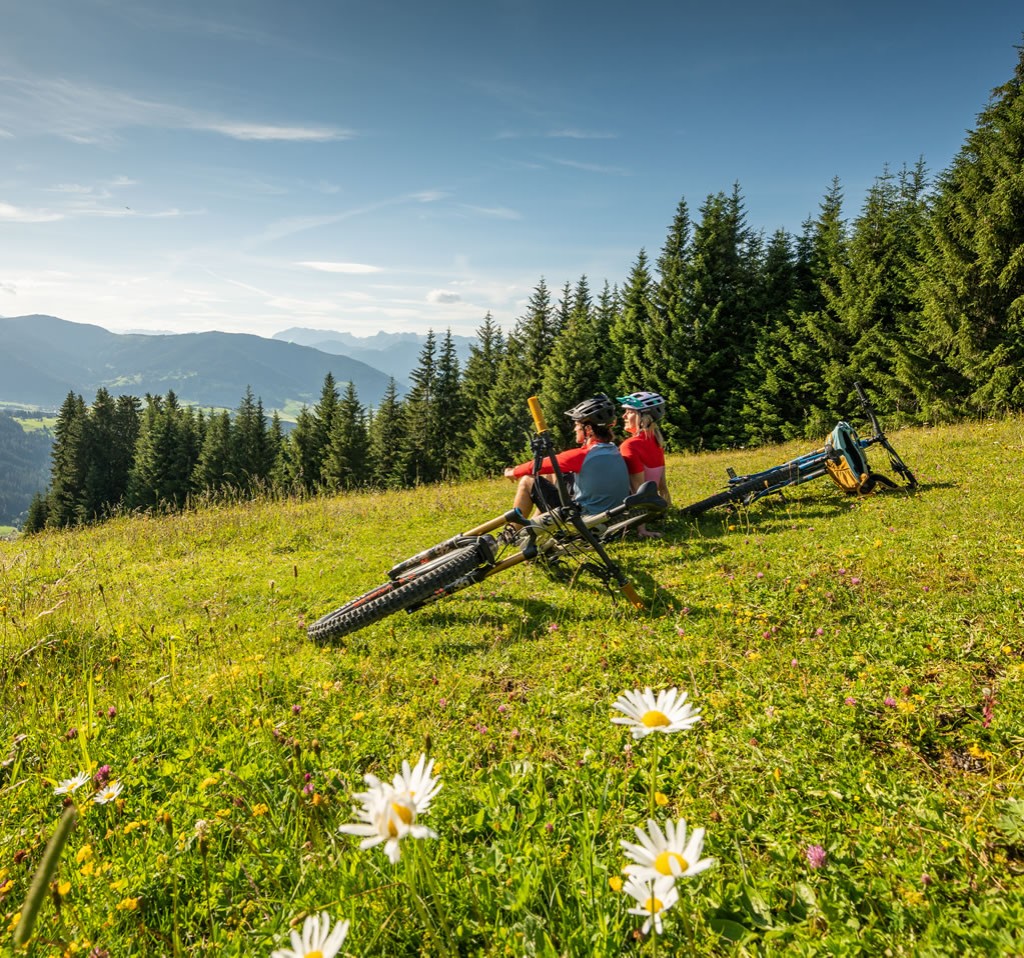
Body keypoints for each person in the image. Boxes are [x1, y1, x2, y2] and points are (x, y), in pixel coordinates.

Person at [503, 394, 630, 523]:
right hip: (611, 514)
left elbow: (538, 465)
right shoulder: (612, 449)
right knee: (553, 475)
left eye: (577, 424)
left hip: (585, 518)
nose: (574, 429)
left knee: (528, 481)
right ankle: (534, 524)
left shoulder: (583, 455)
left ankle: (513, 530)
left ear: (588, 429)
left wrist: (513, 472)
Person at [618, 391, 671, 538]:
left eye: (629, 412)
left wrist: (641, 529)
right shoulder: (656, 441)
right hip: (652, 508)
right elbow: (662, 485)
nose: (623, 416)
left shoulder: (630, 445)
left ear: (642, 417)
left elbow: (638, 489)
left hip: (633, 511)